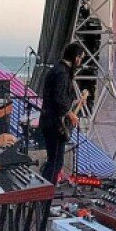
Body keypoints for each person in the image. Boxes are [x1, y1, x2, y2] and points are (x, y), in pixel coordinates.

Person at [39, 42, 83, 184]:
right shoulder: (62, 73)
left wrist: (74, 104)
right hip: (55, 124)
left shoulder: (57, 70)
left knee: (53, 161)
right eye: (81, 58)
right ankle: (45, 197)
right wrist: (70, 114)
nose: (80, 62)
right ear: (76, 58)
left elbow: (57, 97)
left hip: (49, 121)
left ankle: (44, 194)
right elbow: (59, 99)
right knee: (55, 163)